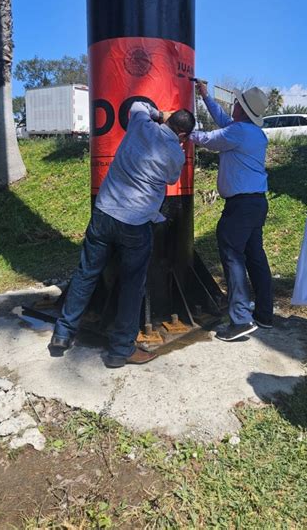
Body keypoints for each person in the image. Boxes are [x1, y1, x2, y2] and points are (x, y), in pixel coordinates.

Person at [50, 101, 195, 368]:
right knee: (132, 286)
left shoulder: (141, 123)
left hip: (104, 213)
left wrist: (158, 114)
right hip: (136, 224)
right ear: (183, 135)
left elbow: (138, 104)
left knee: (85, 274)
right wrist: (178, 144)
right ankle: (120, 350)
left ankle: (62, 333)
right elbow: (173, 179)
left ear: (168, 120)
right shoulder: (176, 152)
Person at [191, 81, 273, 341]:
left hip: (240, 206)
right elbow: (224, 121)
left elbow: (205, 139)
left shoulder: (237, 132)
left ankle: (240, 319)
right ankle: (264, 314)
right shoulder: (253, 133)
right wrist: (205, 96)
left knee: (232, 255)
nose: (233, 104)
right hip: (256, 203)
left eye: (236, 102)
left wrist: (177, 125)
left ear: (242, 109)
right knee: (255, 256)